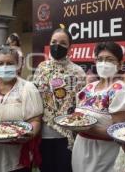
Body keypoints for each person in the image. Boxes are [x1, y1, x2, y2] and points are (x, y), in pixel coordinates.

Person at [71, 42, 125, 172]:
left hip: (105, 155)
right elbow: (76, 116)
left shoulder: (122, 91)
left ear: (120, 64)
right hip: (80, 150)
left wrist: (83, 128)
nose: (104, 63)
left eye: (110, 59)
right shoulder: (88, 87)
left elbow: (119, 132)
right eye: (100, 59)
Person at [33, 28, 86, 172]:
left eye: (63, 43)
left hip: (67, 133)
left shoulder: (78, 72)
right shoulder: (41, 68)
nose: (57, 46)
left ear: (70, 47)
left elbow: (81, 104)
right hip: (44, 133)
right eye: (54, 42)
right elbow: (36, 99)